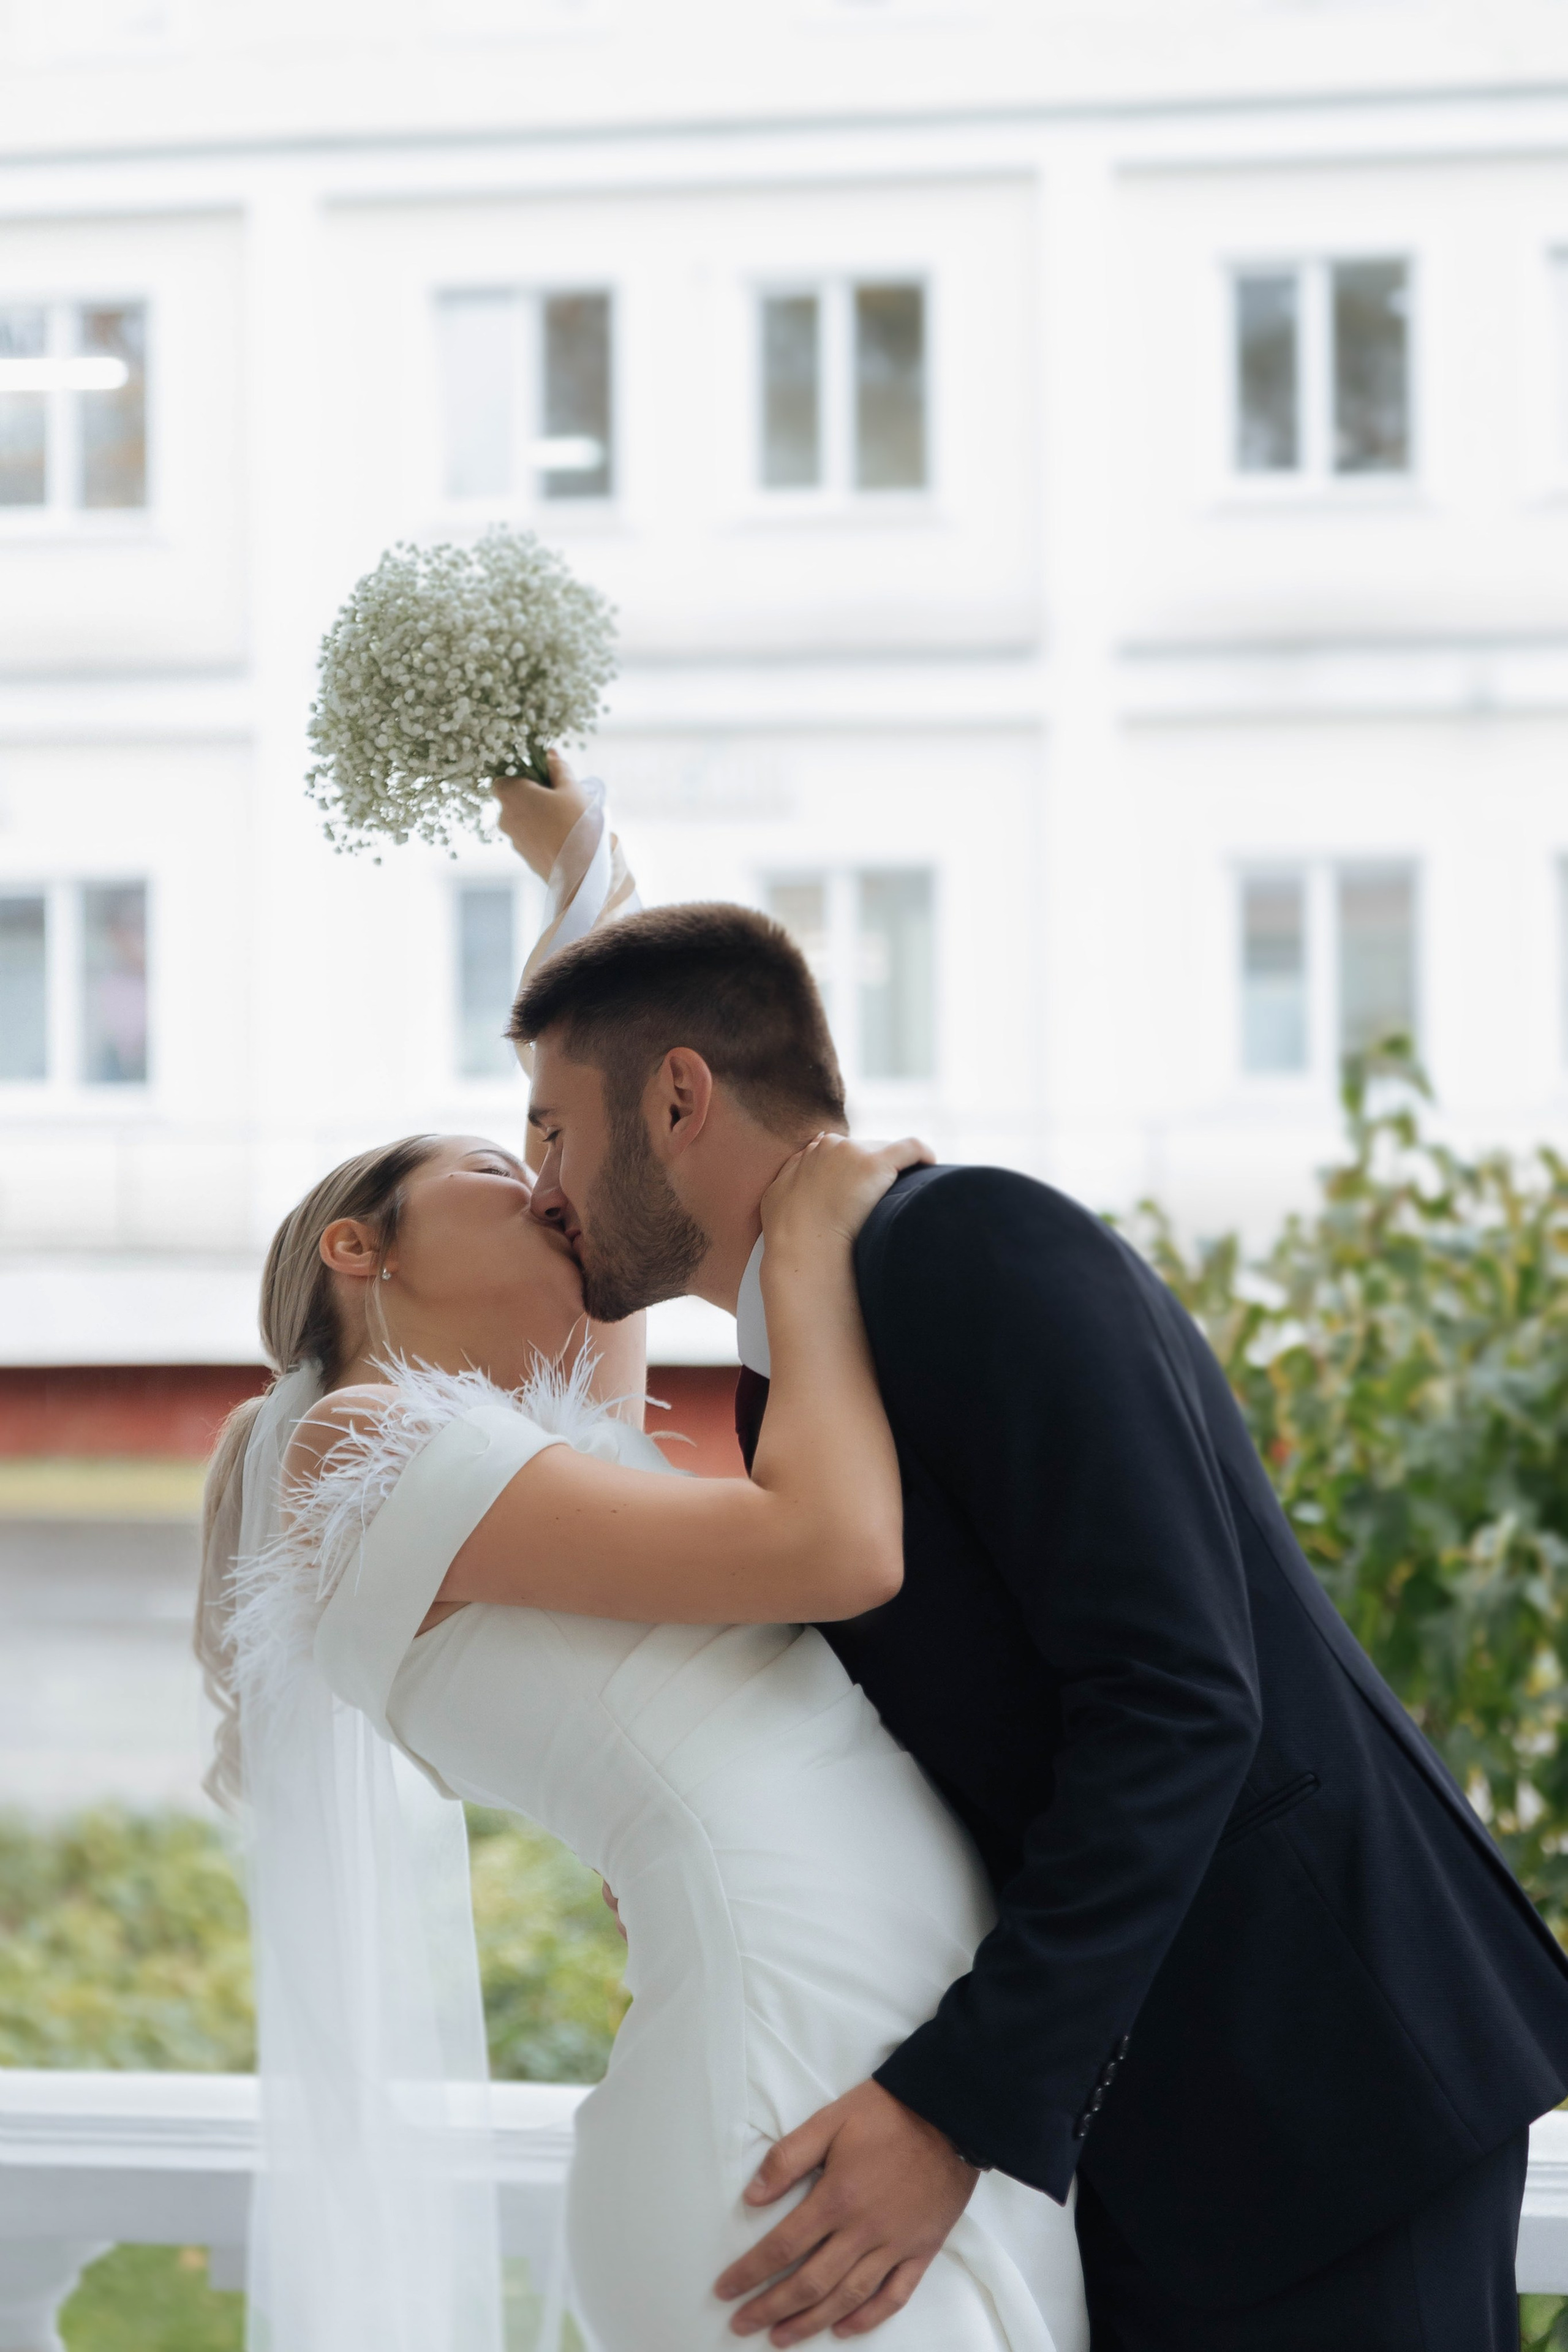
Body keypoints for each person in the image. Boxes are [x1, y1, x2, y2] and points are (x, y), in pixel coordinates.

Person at [503, 891, 1568, 2352]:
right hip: (1162, 2135)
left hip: (1319, 2083)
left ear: (678, 1095)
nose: (537, 1182)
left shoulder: (967, 1246)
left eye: (552, 1129)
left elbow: (1178, 1700)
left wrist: (955, 2106)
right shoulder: (794, 1372)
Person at [196, 1117, 1090, 2352]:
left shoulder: (534, 1456)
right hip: (774, 2096)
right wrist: (807, 1247)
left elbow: (608, 1235)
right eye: (499, 1174)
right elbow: (834, 1551)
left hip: (875, 2060)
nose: (544, 1192)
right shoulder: (358, 1439)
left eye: (547, 1164)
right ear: (362, 1245)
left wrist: (585, 969)